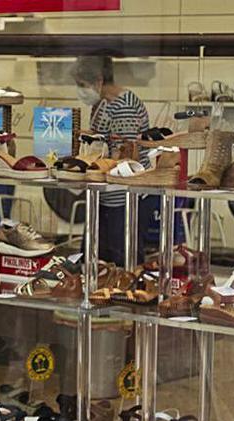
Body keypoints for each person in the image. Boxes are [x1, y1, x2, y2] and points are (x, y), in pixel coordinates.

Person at [71, 55, 155, 265]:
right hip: (105, 195)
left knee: (120, 262)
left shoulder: (123, 107)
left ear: (98, 81)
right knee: (95, 261)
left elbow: (124, 157)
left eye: (82, 85)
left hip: (121, 198)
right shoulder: (103, 104)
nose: (81, 91)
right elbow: (105, 139)